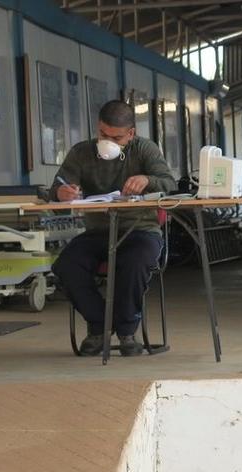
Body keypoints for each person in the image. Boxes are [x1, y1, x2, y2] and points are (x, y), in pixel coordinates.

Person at [50, 100, 176, 357]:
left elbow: (170, 184)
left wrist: (148, 180)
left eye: (116, 138)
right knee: (66, 265)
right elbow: (57, 187)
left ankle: (127, 331)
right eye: (102, 134)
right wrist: (61, 193)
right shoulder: (81, 152)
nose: (107, 142)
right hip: (98, 232)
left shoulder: (145, 149)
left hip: (140, 230)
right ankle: (99, 325)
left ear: (131, 133)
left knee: (135, 262)